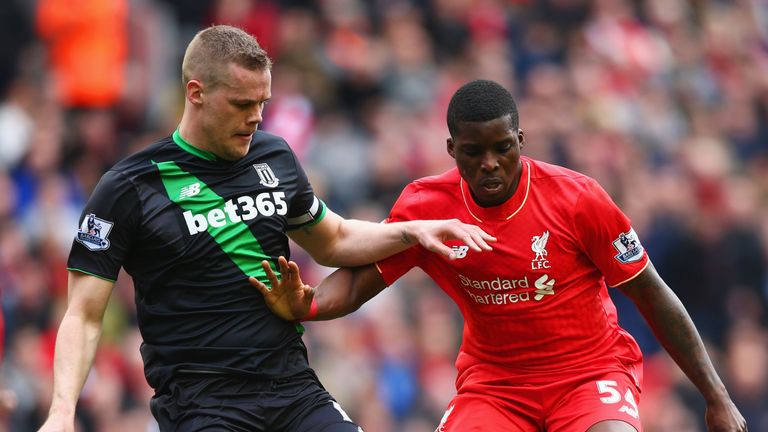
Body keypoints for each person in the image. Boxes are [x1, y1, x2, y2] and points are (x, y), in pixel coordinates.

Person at [37, 26, 496, 432]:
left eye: (262, 102)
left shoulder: (273, 156)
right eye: (241, 104)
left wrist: (412, 232)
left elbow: (334, 241)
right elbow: (83, 314)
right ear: (195, 93)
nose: (256, 117)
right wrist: (62, 412)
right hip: (202, 406)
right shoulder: (129, 187)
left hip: (293, 390)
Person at [252, 80, 748, 431]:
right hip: (495, 386)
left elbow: (654, 296)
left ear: (520, 142)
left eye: (502, 147)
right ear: (451, 149)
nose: (490, 164)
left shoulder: (579, 199)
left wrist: (716, 398)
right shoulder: (427, 208)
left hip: (589, 375)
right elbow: (361, 282)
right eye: (473, 152)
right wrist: (308, 304)